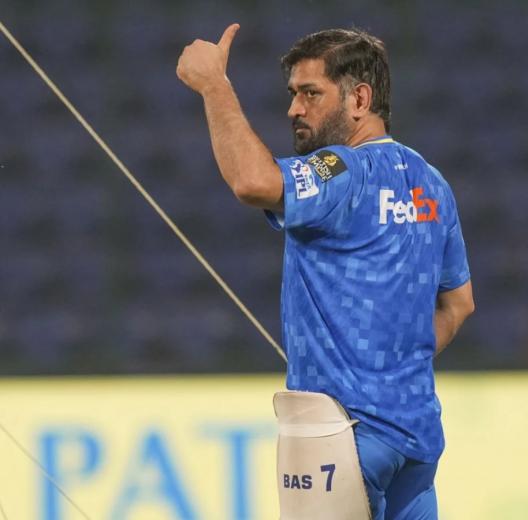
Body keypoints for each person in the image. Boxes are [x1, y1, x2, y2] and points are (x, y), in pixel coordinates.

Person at [177, 24, 475, 519]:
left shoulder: (342, 170)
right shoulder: (432, 182)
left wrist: (214, 85)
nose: (294, 109)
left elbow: (253, 182)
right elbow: (459, 304)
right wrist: (391, 370)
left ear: (360, 99)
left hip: (339, 437)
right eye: (293, 94)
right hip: (416, 438)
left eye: (310, 93)